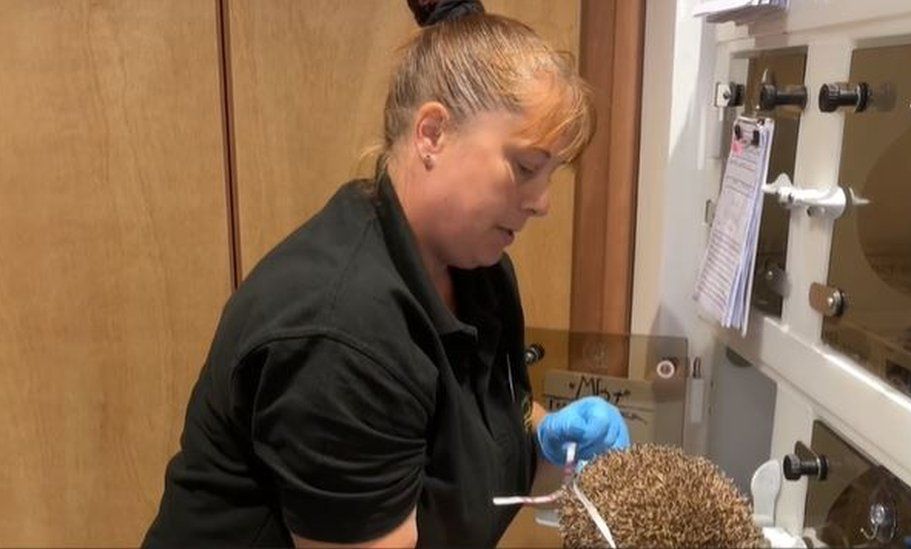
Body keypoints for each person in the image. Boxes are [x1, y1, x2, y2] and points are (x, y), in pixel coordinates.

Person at [144, 3, 629, 547]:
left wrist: (546, 442)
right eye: (524, 168)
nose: (542, 203)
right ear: (432, 133)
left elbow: (488, 438)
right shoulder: (341, 334)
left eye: (551, 176)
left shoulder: (479, 273)